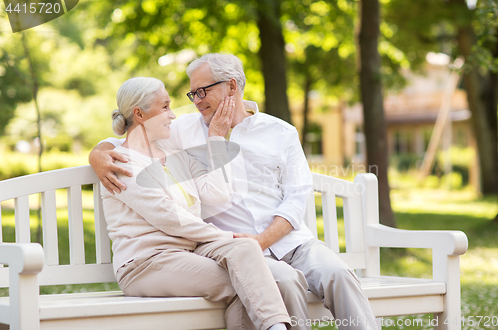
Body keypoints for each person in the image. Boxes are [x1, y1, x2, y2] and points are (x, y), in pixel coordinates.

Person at [90, 54, 378, 330]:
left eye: (202, 91)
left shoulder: (280, 132)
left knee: (340, 274)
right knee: (285, 283)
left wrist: (262, 241)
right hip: (229, 248)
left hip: (290, 242)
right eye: (193, 94)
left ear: (231, 86)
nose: (196, 101)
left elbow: (296, 198)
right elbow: (133, 134)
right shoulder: (184, 129)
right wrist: (98, 154)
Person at [100, 76, 291, 330]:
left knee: (246, 252)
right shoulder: (121, 163)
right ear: (140, 114)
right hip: (145, 263)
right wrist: (227, 236)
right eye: (165, 107)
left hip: (188, 254)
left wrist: (216, 139)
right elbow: (167, 217)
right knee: (246, 283)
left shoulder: (177, 159)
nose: (173, 115)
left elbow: (217, 195)